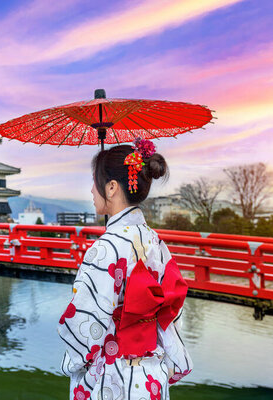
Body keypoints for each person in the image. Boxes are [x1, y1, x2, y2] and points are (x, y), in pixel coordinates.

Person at [58, 139, 192, 400]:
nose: (91, 190)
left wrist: (71, 364)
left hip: (112, 377)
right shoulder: (155, 241)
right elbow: (172, 311)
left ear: (111, 188)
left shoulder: (106, 247)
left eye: (95, 182)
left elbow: (84, 323)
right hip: (151, 376)